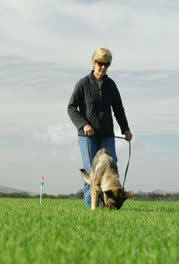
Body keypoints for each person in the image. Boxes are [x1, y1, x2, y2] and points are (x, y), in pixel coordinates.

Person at [67, 48, 133, 209]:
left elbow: (118, 109)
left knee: (112, 166)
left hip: (107, 136)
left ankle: (108, 205)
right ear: (93, 62)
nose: (102, 67)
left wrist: (125, 129)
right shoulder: (82, 84)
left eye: (106, 64)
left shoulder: (111, 85)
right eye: (100, 63)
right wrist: (84, 124)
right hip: (87, 136)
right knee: (92, 173)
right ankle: (92, 208)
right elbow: (71, 108)